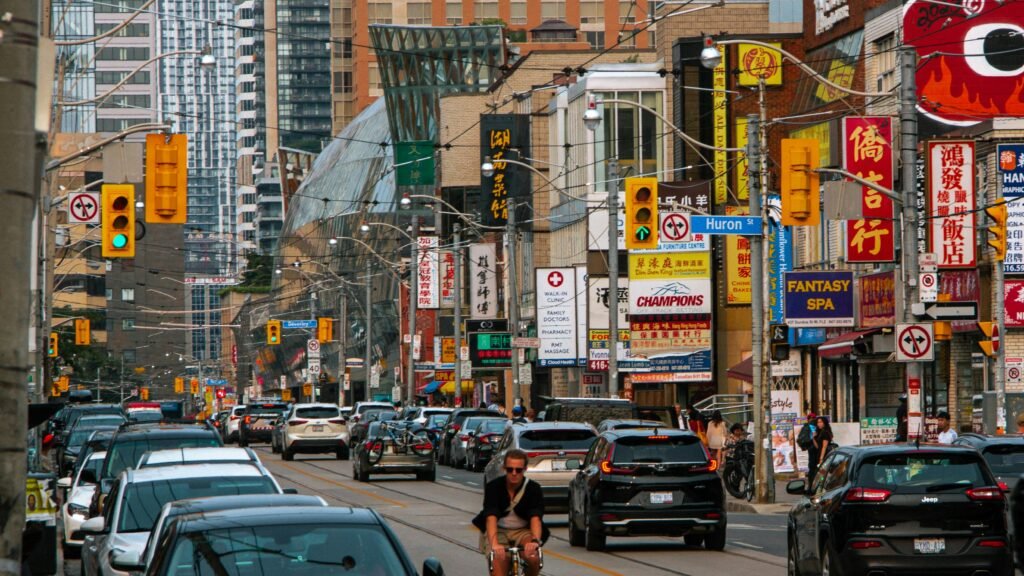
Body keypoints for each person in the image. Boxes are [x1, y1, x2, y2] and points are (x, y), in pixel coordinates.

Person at [473, 449, 545, 576]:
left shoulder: (533, 488)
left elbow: (536, 518)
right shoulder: (493, 487)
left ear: (525, 469)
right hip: (498, 530)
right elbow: (491, 517)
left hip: (523, 530)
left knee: (533, 557)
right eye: (510, 469)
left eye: (518, 470)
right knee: (499, 563)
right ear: (504, 468)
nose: (514, 473)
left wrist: (534, 541)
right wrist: (495, 544)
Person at [797, 413, 817, 479]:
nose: (812, 420)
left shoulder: (805, 426)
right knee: (814, 464)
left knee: (812, 465)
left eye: (813, 418)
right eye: (811, 419)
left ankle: (811, 479)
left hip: (810, 447)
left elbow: (800, 438)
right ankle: (812, 479)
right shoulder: (814, 426)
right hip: (814, 447)